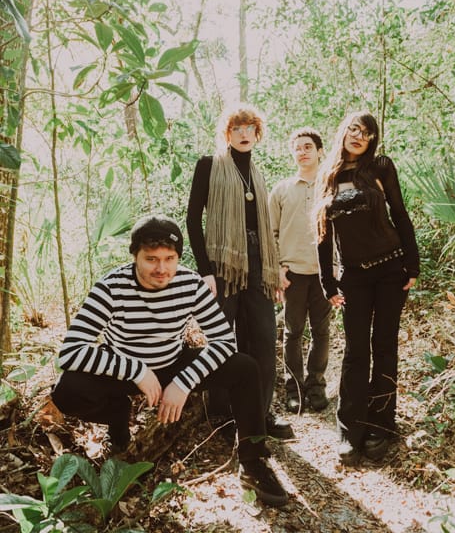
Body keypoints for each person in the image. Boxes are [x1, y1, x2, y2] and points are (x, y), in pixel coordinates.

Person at [51, 215, 288, 507]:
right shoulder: (111, 287)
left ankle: (253, 462)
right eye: (151, 259)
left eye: (169, 258)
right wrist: (136, 370)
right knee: (66, 389)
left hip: (173, 363)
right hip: (125, 369)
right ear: (135, 256)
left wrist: (184, 382)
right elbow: (70, 351)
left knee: (245, 368)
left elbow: (224, 341)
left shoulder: (189, 283)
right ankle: (117, 417)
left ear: (178, 257)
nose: (161, 269)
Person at [314, 111, 419, 465]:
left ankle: (381, 425)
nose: (360, 136)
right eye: (355, 129)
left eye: (368, 133)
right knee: (356, 351)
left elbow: (399, 213)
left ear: (373, 140)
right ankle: (350, 429)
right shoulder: (328, 175)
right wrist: (327, 280)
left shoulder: (380, 167)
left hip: (391, 270)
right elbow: (323, 233)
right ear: (344, 132)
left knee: (384, 346)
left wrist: (412, 263)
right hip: (354, 277)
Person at [186, 105, 294, 440]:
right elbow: (192, 219)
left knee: (262, 338)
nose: (244, 134)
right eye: (237, 128)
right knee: (221, 339)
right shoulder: (209, 165)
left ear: (257, 134)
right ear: (227, 133)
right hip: (223, 263)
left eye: (250, 128)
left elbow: (264, 227)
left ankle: (259, 413)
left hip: (258, 261)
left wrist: (273, 270)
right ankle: (221, 414)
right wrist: (205, 271)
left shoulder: (257, 173)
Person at [269, 127, 332, 414]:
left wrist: (337, 270)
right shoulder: (281, 190)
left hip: (324, 273)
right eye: (297, 147)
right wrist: (277, 269)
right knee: (293, 332)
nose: (302, 152)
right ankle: (293, 389)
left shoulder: (331, 187)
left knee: (321, 331)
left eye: (308, 146)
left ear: (320, 151)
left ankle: (316, 386)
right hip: (292, 272)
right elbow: (270, 233)